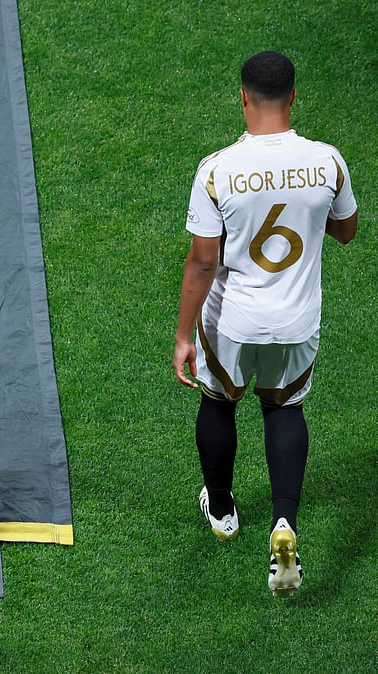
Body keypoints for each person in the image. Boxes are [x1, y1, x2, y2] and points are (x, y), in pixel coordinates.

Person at [172, 51, 358, 597]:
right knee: (285, 406)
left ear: (244, 97)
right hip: (296, 321)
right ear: (294, 97)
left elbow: (204, 260)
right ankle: (285, 524)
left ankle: (224, 509)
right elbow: (346, 231)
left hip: (233, 322)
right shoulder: (327, 162)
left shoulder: (217, 169)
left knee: (218, 402)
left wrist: (184, 336)